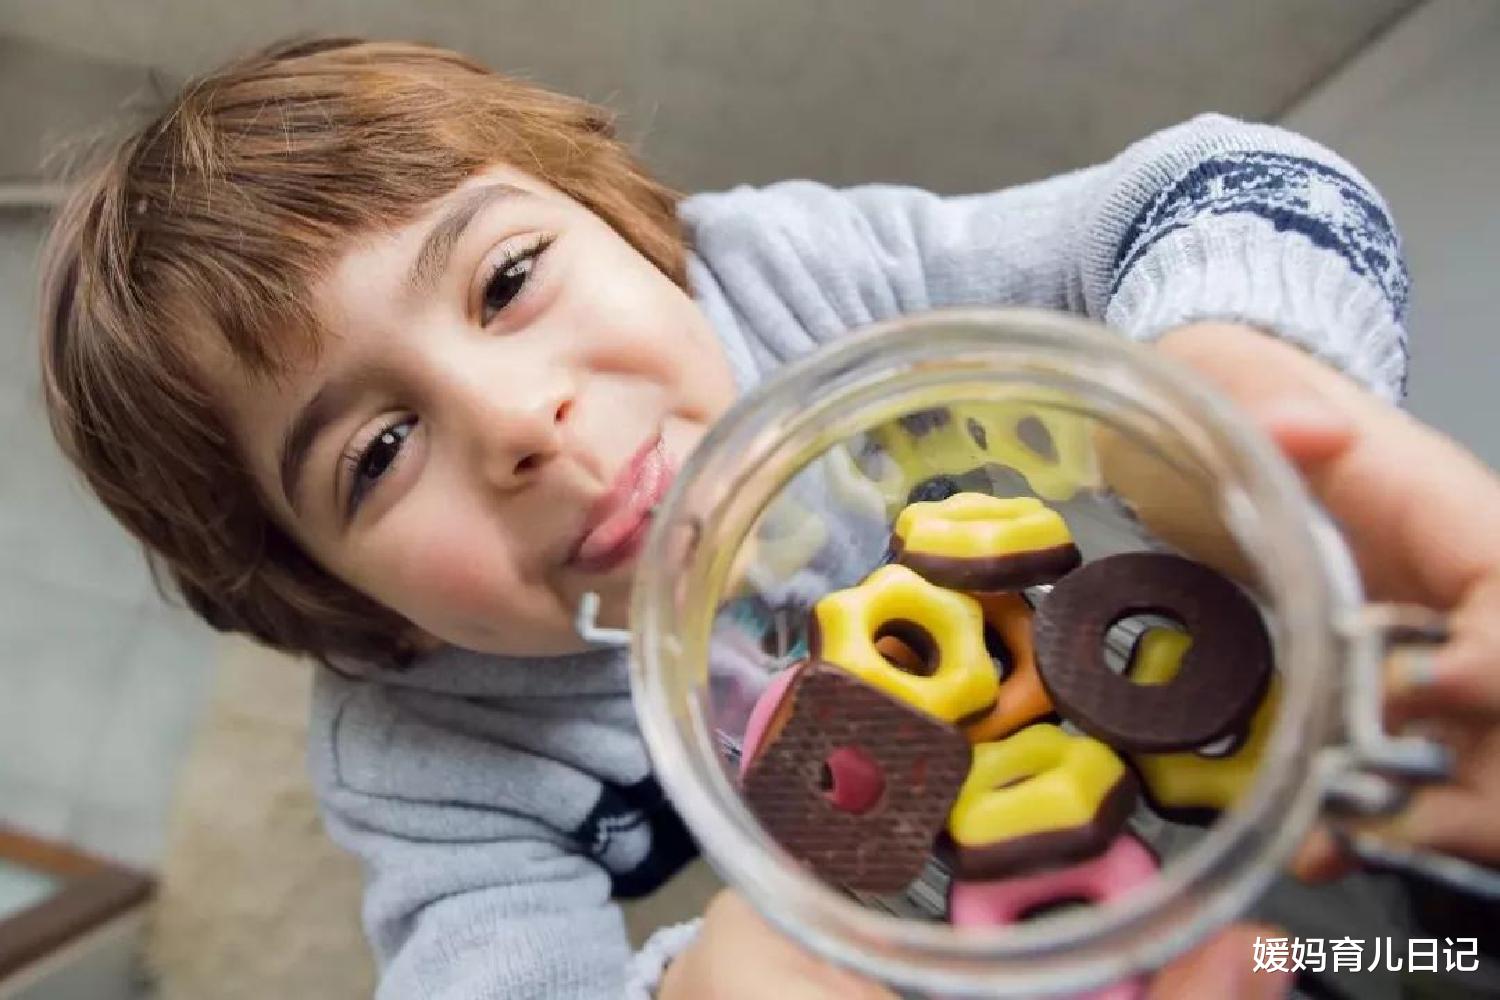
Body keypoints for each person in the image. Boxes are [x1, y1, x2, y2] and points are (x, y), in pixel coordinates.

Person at [36, 37, 1497, 999]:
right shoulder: (430, 751)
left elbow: (1214, 183)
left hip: (1265, 722)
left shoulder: (804, 281)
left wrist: (1228, 371)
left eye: (505, 282)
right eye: (376, 454)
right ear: (338, 605)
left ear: (630, 221)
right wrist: (702, 984)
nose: (519, 423)